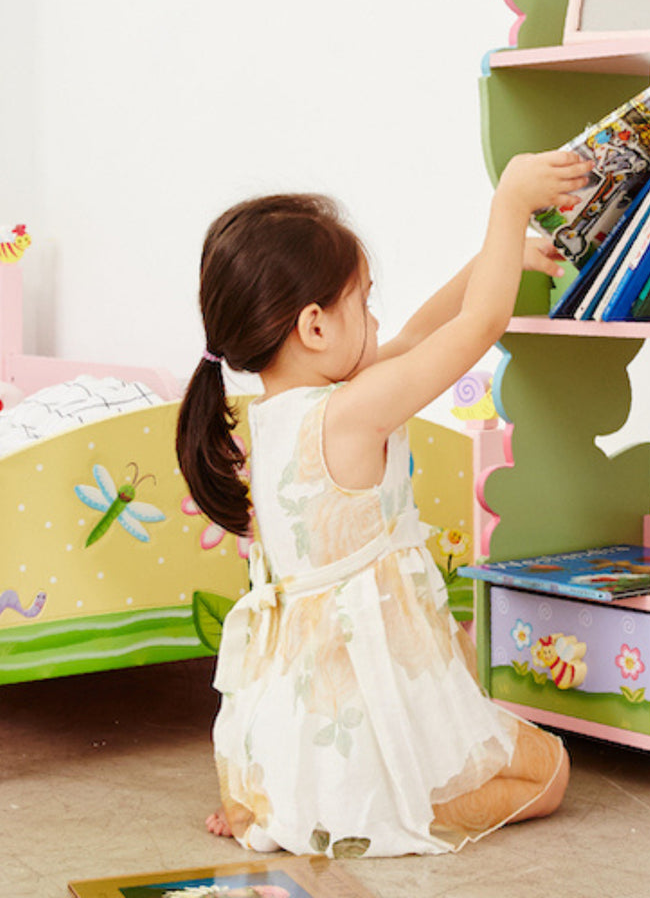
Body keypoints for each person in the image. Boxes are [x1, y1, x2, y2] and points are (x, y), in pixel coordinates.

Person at [175, 150, 592, 857]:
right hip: (374, 697)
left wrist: (500, 255)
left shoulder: (280, 411)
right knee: (550, 771)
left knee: (472, 746)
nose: (376, 319)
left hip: (306, 714)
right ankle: (365, 808)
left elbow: (420, 336)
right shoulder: (354, 409)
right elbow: (478, 328)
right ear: (314, 326)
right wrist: (510, 202)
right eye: (363, 301)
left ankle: (289, 801)